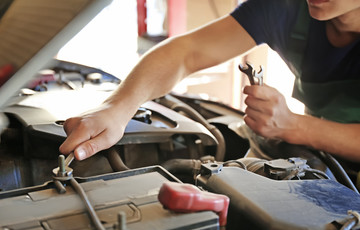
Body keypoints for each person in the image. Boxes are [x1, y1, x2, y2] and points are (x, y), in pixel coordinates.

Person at [59, 0, 360, 163]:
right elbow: (186, 53)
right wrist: (118, 107)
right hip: (323, 154)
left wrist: (293, 126)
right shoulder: (283, 8)